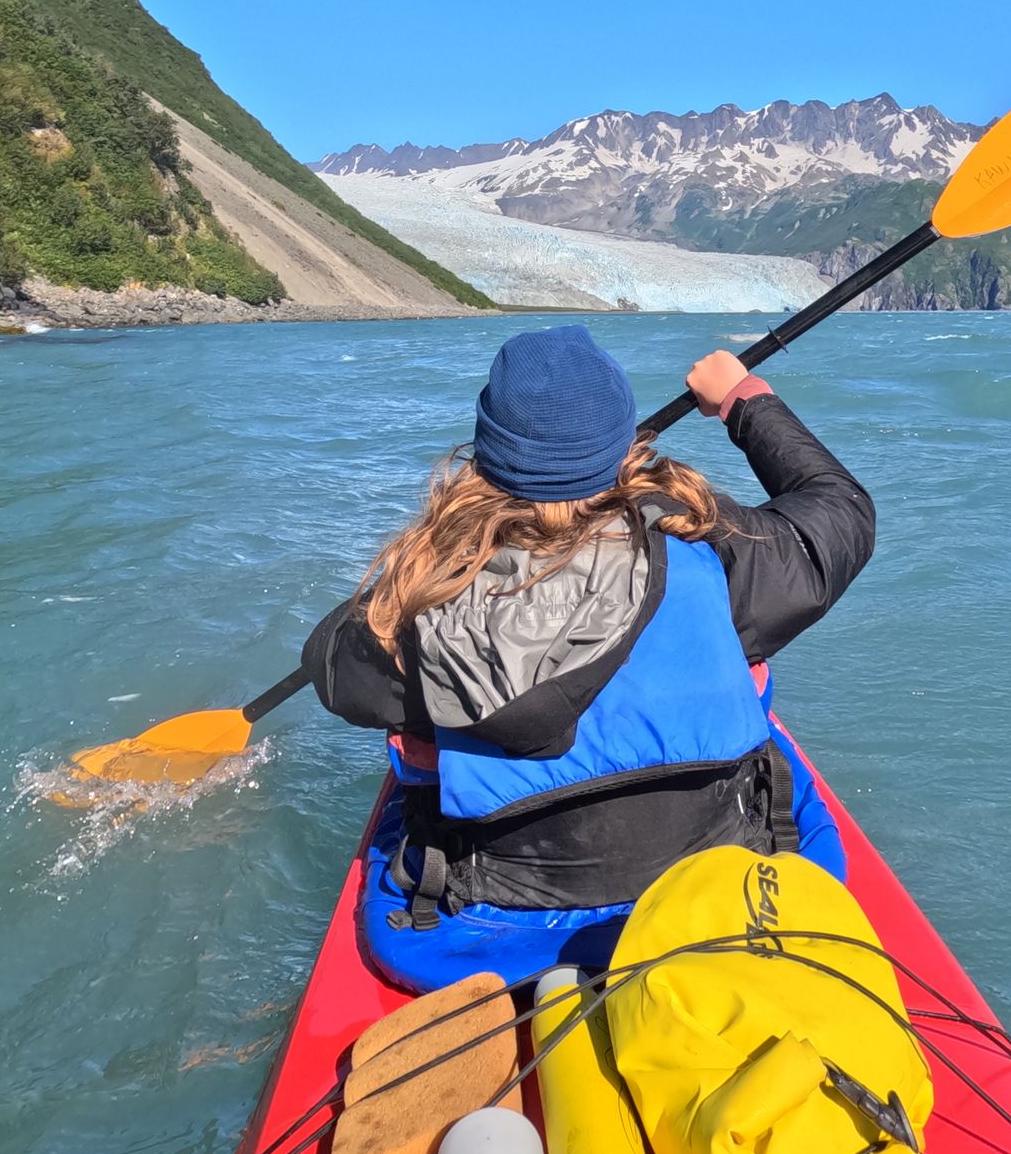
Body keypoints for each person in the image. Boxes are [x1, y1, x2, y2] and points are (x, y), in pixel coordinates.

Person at [301, 324, 875, 991]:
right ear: (623, 450)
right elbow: (842, 513)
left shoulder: (414, 612)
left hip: (500, 916)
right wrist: (745, 399)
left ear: (487, 455)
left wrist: (430, 552)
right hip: (715, 879)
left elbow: (330, 667)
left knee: (419, 740)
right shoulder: (725, 560)